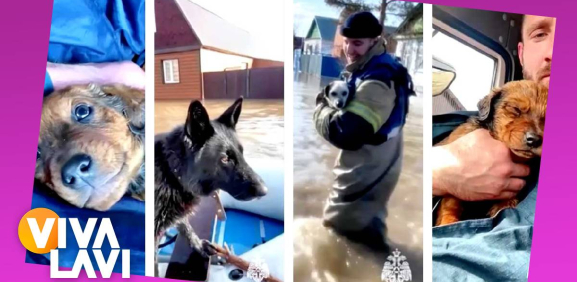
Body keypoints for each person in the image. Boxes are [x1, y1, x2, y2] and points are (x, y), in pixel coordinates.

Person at [432, 15, 555, 281]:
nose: (554, 51)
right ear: (521, 53)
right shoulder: (454, 124)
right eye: (540, 34)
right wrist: (438, 171)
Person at [313, 11, 414, 253]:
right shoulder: (369, 69)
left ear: (374, 41)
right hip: (373, 173)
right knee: (369, 243)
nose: (349, 49)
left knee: (335, 241)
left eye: (357, 43)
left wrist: (319, 108)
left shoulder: (377, 80)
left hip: (363, 179)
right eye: (346, 41)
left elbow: (345, 133)